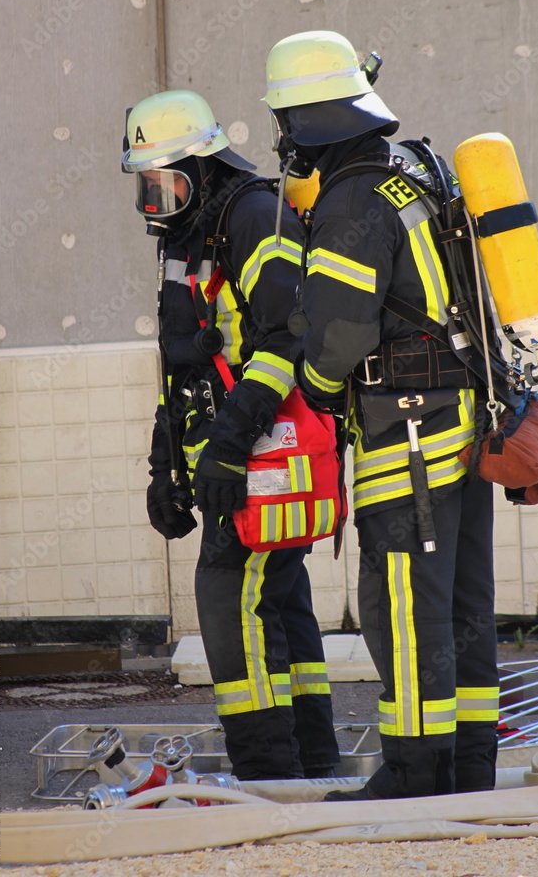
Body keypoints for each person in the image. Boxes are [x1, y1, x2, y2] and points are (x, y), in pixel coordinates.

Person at [263, 30, 500, 799]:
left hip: (404, 429)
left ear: (302, 122)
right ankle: (469, 769)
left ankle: (413, 773)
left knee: (401, 602)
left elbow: (337, 334)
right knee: (460, 602)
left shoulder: (351, 199)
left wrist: (319, 387)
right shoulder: (411, 175)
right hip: (461, 418)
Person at [122, 89, 340, 781]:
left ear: (205, 165)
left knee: (227, 593)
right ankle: (311, 762)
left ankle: (266, 771)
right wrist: (164, 467)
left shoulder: (250, 217)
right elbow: (181, 362)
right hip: (225, 456)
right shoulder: (189, 239)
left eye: (167, 184)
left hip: (259, 455)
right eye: (146, 188)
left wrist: (227, 444)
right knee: (279, 598)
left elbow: (286, 341)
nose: (157, 203)